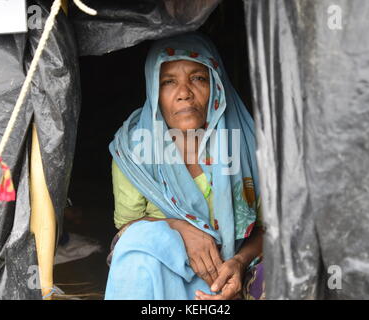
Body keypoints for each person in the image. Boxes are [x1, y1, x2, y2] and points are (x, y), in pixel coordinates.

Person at [105, 32, 264, 300]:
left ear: (216, 86)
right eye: (168, 82)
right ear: (154, 91)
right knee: (137, 246)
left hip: (232, 274)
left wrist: (238, 262)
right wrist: (181, 229)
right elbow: (129, 231)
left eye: (198, 78)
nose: (184, 94)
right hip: (166, 276)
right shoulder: (134, 151)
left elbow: (271, 230)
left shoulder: (246, 145)